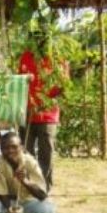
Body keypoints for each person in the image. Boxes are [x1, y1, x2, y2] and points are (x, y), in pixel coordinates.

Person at [19, 30, 67, 190]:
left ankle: (44, 186)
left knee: (46, 153)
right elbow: (19, 82)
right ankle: (29, 184)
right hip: (27, 113)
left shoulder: (58, 58)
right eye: (35, 38)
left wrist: (46, 100)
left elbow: (63, 86)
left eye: (42, 39)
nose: (38, 42)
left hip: (47, 114)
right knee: (26, 151)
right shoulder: (25, 56)